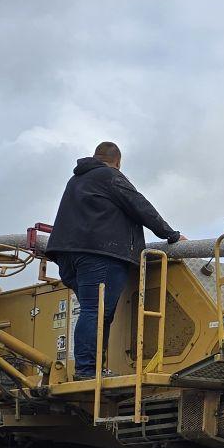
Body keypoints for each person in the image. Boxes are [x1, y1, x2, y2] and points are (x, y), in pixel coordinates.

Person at [46, 142, 185, 379]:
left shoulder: (76, 181)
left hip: (69, 255)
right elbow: (139, 205)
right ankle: (87, 370)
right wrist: (171, 234)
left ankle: (94, 368)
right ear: (118, 162)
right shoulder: (109, 175)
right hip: (99, 254)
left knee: (98, 313)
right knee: (95, 311)